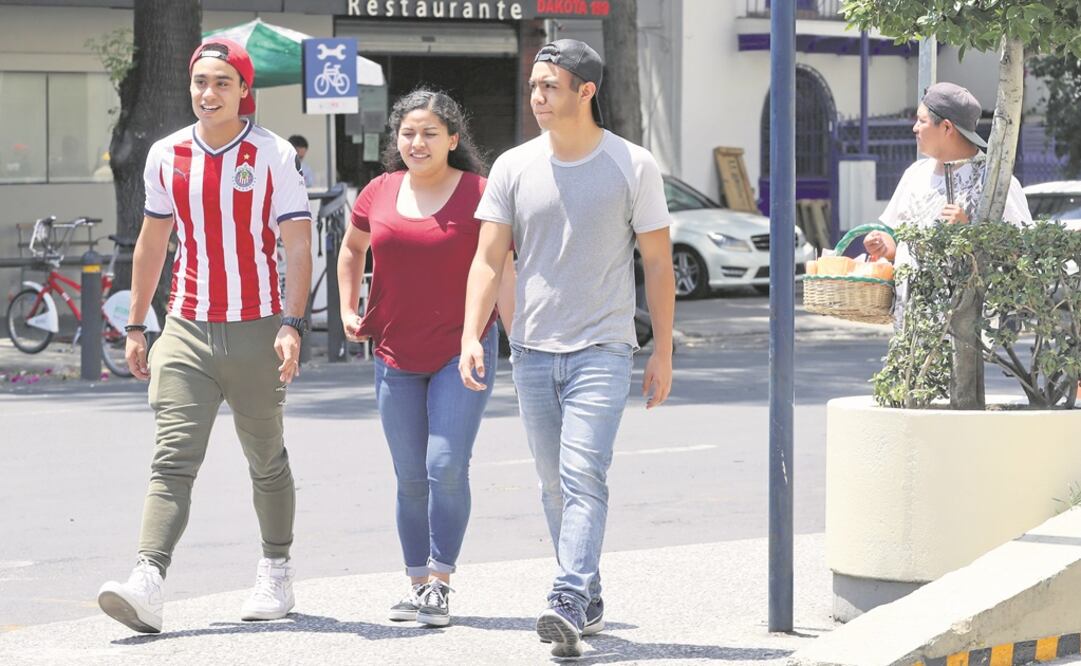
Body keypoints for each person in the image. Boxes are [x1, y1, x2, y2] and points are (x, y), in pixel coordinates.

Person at [458, 39, 675, 657]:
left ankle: (567, 597)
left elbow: (657, 264)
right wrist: (471, 334)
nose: (536, 97)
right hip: (531, 346)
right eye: (533, 86)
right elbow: (487, 259)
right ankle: (590, 592)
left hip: (604, 345)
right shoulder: (512, 167)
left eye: (549, 86)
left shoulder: (633, 165)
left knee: (584, 474)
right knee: (554, 484)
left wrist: (662, 350)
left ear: (586, 91)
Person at [96, 38, 312, 634]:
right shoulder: (166, 154)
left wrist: (292, 325)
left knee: (265, 460)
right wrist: (138, 325)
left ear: (245, 91)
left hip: (258, 327)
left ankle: (276, 568)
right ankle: (148, 579)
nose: (208, 93)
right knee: (172, 460)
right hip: (186, 328)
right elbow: (152, 243)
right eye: (199, 83)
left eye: (221, 82)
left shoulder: (272, 155)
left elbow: (297, 245)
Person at [337, 88, 515, 627]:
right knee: (410, 475)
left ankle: (440, 581)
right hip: (393, 351)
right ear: (397, 140)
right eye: (408, 133)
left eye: (430, 133)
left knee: (445, 465)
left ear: (453, 140)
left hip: (462, 350)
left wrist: (517, 334)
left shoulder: (482, 194)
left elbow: (501, 267)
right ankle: (416, 582)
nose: (417, 142)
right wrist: (348, 307)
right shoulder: (378, 191)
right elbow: (351, 249)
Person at [863, 82, 1033, 326]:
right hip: (912, 323)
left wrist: (969, 234)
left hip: (969, 326)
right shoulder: (914, 174)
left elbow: (1021, 254)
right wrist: (883, 245)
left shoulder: (994, 182)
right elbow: (897, 242)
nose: (914, 128)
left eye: (921, 121)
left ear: (946, 127)